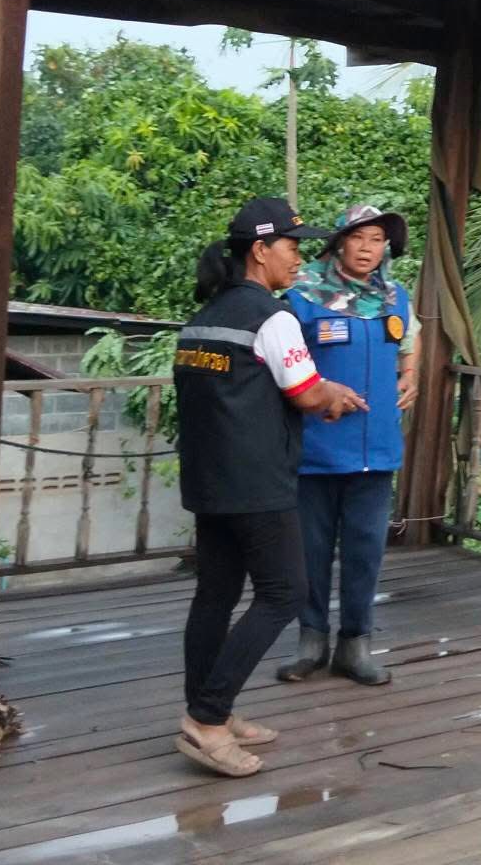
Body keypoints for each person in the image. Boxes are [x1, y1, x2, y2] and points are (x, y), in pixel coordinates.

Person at [172, 197, 367, 778]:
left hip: (209, 479)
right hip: (257, 481)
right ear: (260, 250)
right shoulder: (272, 317)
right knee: (284, 593)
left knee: (215, 595)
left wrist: (319, 388)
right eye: (291, 246)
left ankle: (209, 709)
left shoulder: (205, 316)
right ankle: (207, 719)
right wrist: (335, 394)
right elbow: (305, 393)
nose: (298, 257)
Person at [277, 203, 417, 686]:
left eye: (377, 240)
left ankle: (355, 645)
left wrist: (411, 372)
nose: (367, 248)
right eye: (358, 238)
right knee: (309, 552)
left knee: (365, 553)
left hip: (376, 450)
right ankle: (310, 641)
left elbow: (410, 341)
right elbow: (280, 363)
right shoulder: (301, 296)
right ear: (339, 243)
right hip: (316, 449)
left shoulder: (396, 296)